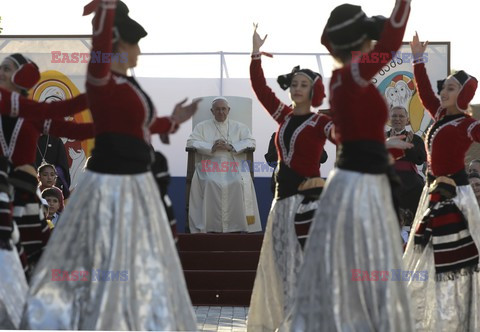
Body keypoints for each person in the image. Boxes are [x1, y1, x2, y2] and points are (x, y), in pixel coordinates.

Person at [22, 1, 199, 330]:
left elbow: (135, 128)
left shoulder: (127, 85)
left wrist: (172, 121)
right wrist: (106, 12)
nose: (139, 54)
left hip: (138, 181)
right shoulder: (100, 78)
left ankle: (129, 319)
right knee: (108, 255)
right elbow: (100, 50)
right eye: (136, 45)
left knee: (139, 257)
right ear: (119, 45)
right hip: (110, 181)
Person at [281, 1, 414, 331]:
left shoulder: (342, 76)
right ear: (359, 43)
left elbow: (334, 38)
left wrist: (386, 146)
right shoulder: (354, 72)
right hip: (362, 181)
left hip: (353, 175)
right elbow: (391, 40)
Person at [247, 24, 333, 331]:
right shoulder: (283, 116)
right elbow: (260, 88)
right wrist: (256, 54)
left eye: (303, 84)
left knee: (307, 268)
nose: (297, 88)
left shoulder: (321, 121)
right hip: (280, 203)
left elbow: (349, 141)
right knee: (282, 268)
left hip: (309, 204)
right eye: (294, 83)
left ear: (313, 90)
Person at [0, 53, 91, 326]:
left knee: (38, 257)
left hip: (27, 195)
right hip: (4, 192)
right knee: (8, 251)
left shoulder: (32, 112)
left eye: (6, 69)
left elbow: (71, 122)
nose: (1, 72)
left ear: (22, 77)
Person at [403, 32, 480, 331]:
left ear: (463, 95)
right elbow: (422, 90)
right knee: (426, 255)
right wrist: (417, 58)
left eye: (451, 88)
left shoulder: (468, 124)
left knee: (453, 261)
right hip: (432, 192)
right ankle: (428, 316)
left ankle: (456, 317)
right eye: (444, 87)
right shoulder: (438, 115)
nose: (444, 92)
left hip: (455, 196)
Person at [186, 96, 262, 233]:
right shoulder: (202, 127)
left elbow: (251, 142)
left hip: (234, 163)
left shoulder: (240, 127)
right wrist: (211, 146)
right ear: (212, 111)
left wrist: (231, 146)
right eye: (217, 109)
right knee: (209, 181)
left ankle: (237, 226)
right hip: (210, 163)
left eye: (223, 109)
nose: (221, 112)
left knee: (239, 182)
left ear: (228, 110)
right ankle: (210, 226)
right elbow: (190, 142)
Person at [386, 106, 426, 242]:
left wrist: (408, 146)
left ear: (407, 120)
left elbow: (420, 160)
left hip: (411, 185)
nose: (397, 119)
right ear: (389, 119)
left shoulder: (415, 138)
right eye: (394, 116)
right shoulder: (382, 137)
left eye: (401, 116)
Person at [35, 135, 71, 200]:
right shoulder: (29, 138)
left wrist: (56, 182)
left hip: (54, 189)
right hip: (33, 186)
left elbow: (63, 166)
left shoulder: (56, 140)